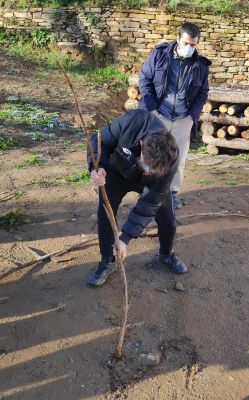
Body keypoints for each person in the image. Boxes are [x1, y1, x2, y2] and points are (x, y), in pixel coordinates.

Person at [86, 109, 187, 288]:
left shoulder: (170, 160)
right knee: (106, 215)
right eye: (146, 165)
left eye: (153, 169)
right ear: (141, 144)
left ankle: (166, 253)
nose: (147, 170)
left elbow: (150, 202)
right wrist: (96, 168)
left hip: (151, 184)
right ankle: (107, 260)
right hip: (117, 172)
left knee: (168, 218)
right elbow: (99, 140)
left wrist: (125, 239)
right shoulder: (133, 121)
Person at [138, 22, 211, 209]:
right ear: (178, 39)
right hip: (159, 114)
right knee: (152, 154)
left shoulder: (200, 65)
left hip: (182, 118)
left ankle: (172, 193)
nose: (189, 48)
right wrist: (152, 109)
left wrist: (191, 117)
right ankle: (149, 191)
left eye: (193, 45)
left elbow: (203, 93)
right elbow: (144, 79)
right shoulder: (160, 54)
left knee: (178, 158)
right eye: (186, 43)